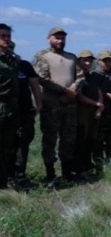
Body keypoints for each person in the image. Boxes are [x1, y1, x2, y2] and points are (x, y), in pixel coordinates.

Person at [33, 26, 78, 185]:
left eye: (62, 38)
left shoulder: (72, 57)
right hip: (51, 104)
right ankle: (50, 173)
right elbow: (42, 79)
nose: (60, 41)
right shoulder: (43, 56)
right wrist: (64, 91)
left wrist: (72, 90)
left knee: (68, 138)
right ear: (49, 38)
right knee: (50, 139)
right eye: (57, 37)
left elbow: (80, 76)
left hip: (70, 105)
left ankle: (67, 171)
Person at [11, 40, 41, 190]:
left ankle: (20, 176)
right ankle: (8, 176)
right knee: (7, 144)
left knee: (23, 144)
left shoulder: (24, 65)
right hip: (7, 113)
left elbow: (35, 86)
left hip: (25, 111)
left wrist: (39, 104)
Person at [74, 50, 105, 179]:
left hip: (94, 113)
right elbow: (79, 96)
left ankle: (88, 165)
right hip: (82, 113)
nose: (88, 63)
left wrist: (100, 106)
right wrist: (96, 104)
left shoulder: (93, 76)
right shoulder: (77, 76)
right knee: (81, 140)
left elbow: (99, 91)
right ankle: (79, 169)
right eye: (85, 60)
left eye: (90, 60)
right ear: (79, 61)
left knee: (91, 140)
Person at [0, 23, 19, 190]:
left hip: (11, 107)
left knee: (8, 146)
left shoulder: (11, 59)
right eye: (3, 36)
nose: (6, 39)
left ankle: (4, 180)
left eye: (8, 36)